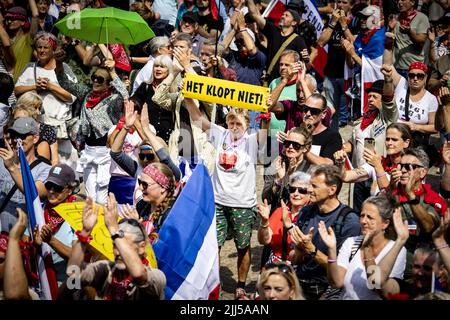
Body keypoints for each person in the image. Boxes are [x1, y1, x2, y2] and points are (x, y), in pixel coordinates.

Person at [184, 95, 268, 299]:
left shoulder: (251, 139)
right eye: (231, 121)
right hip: (218, 202)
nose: (234, 125)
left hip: (242, 205)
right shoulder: (220, 134)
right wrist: (188, 97)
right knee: (214, 245)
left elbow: (264, 135)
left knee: (242, 246)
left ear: (247, 124)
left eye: (238, 122)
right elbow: (197, 119)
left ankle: (240, 285)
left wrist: (266, 116)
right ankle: (212, 282)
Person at [62, 194, 166, 300]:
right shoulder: (106, 269)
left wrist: (113, 228)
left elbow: (138, 274)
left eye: (124, 246)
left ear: (141, 247)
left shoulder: (157, 277)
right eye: (115, 245)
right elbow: (73, 274)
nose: (118, 252)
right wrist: (85, 233)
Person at [55, 57, 128, 204]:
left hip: (105, 151)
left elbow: (125, 95)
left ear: (108, 84)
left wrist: (113, 72)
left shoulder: (114, 99)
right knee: (90, 197)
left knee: (102, 197)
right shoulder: (87, 94)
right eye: (94, 78)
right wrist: (59, 63)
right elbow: (65, 83)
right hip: (88, 150)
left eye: (100, 79)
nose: (95, 81)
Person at [290, 165, 360, 299]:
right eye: (310, 185)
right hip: (299, 286)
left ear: (332, 190)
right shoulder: (306, 212)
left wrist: (311, 249)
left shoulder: (349, 221)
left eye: (314, 186)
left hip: (328, 290)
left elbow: (341, 271)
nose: (308, 189)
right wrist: (299, 249)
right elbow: (294, 258)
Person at [318, 195, 408, 300]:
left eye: (370, 217)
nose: (363, 221)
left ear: (385, 223)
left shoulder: (396, 249)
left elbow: (375, 284)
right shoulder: (351, 242)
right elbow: (336, 282)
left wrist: (367, 249)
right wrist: (332, 249)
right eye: (362, 216)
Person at [15, 31, 78, 169]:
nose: (42, 50)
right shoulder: (30, 68)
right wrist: (34, 87)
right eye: (39, 47)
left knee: (61, 168)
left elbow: (72, 97)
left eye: (46, 47)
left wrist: (51, 87)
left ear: (53, 49)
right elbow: (17, 91)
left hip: (60, 130)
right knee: (40, 166)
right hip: (38, 128)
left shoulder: (64, 68)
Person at [390, 148, 448, 276]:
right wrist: (389, 190)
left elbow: (428, 227)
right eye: (401, 166)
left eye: (409, 166)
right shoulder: (390, 194)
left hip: (417, 273)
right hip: (389, 268)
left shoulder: (433, 199)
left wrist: (410, 194)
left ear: (422, 172)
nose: (403, 170)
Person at [335, 123, 412, 199]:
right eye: (387, 139)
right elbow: (345, 177)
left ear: (406, 143)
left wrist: (378, 166)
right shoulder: (379, 162)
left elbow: (388, 195)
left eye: (394, 140)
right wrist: (340, 162)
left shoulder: (411, 168)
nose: (389, 143)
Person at [0, 117, 51, 233]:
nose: (17, 140)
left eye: (22, 136)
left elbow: (35, 193)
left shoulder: (45, 169)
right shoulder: (2, 162)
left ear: (35, 138)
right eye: (14, 136)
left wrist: (12, 168)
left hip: (27, 237)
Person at [32, 164, 79, 284]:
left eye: (57, 188)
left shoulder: (78, 215)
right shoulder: (38, 210)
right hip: (42, 283)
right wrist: (36, 245)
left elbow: (78, 257)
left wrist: (51, 240)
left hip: (68, 285)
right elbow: (25, 245)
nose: (51, 191)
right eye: (48, 185)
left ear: (69, 190)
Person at [247, 0, 307, 84]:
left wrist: (306, 59)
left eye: (286, 15)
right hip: (268, 82)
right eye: (283, 14)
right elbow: (255, 15)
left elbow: (305, 66)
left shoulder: (298, 41)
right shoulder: (273, 31)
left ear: (294, 22)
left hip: (285, 84)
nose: (282, 16)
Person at [317, 0, 356, 128]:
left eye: (344, 2)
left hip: (346, 74)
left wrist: (344, 25)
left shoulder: (355, 22)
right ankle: (331, 136)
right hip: (330, 73)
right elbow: (321, 42)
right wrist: (333, 23)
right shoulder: (331, 22)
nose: (340, 5)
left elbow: (353, 42)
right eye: (338, 1)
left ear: (350, 6)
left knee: (343, 114)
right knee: (330, 111)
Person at [258, 171, 311, 265]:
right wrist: (264, 222)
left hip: (301, 267)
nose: (296, 193)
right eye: (292, 189)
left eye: (302, 190)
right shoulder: (279, 211)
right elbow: (264, 240)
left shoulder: (313, 215)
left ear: (310, 193)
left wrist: (289, 226)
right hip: (275, 265)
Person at [262, 124, 312, 209]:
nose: (290, 147)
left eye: (296, 145)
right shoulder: (276, 164)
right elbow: (266, 199)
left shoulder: (310, 170)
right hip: (277, 215)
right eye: (287, 143)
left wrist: (287, 177)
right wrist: (278, 181)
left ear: (305, 148)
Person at [131, 55, 175, 144]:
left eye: (162, 67)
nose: (158, 69)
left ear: (169, 70)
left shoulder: (174, 90)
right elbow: (130, 107)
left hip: (168, 139)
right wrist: (142, 133)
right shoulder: (145, 87)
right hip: (148, 137)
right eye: (156, 66)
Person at [388, 0, 429, 76]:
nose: (399, 2)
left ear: (412, 2)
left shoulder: (422, 18)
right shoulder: (395, 18)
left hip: (414, 68)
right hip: (396, 67)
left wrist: (409, 32)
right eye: (398, 0)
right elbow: (389, 44)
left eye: (403, 0)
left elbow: (421, 41)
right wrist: (390, 29)